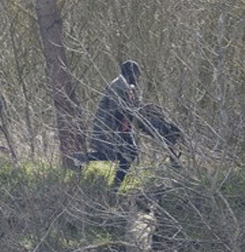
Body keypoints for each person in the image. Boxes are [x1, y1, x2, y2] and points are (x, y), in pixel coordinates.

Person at [71, 60, 181, 188]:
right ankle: (112, 185)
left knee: (126, 154)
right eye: (137, 74)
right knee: (121, 154)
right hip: (109, 128)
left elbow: (134, 108)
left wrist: (151, 113)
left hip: (120, 126)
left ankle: (111, 184)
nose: (139, 78)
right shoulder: (118, 86)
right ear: (131, 73)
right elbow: (120, 111)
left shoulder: (127, 86)